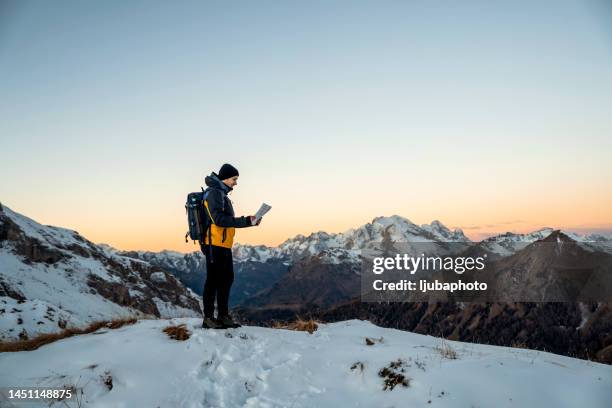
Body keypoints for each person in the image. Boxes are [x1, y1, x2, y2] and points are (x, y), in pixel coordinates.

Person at [200, 163, 261, 329]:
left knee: (226, 279)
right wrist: (246, 221)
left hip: (223, 244)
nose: (236, 183)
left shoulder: (221, 194)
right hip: (214, 244)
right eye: (234, 179)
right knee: (213, 281)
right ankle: (208, 318)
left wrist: (250, 221)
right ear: (226, 178)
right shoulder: (214, 193)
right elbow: (218, 219)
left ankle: (223, 316)